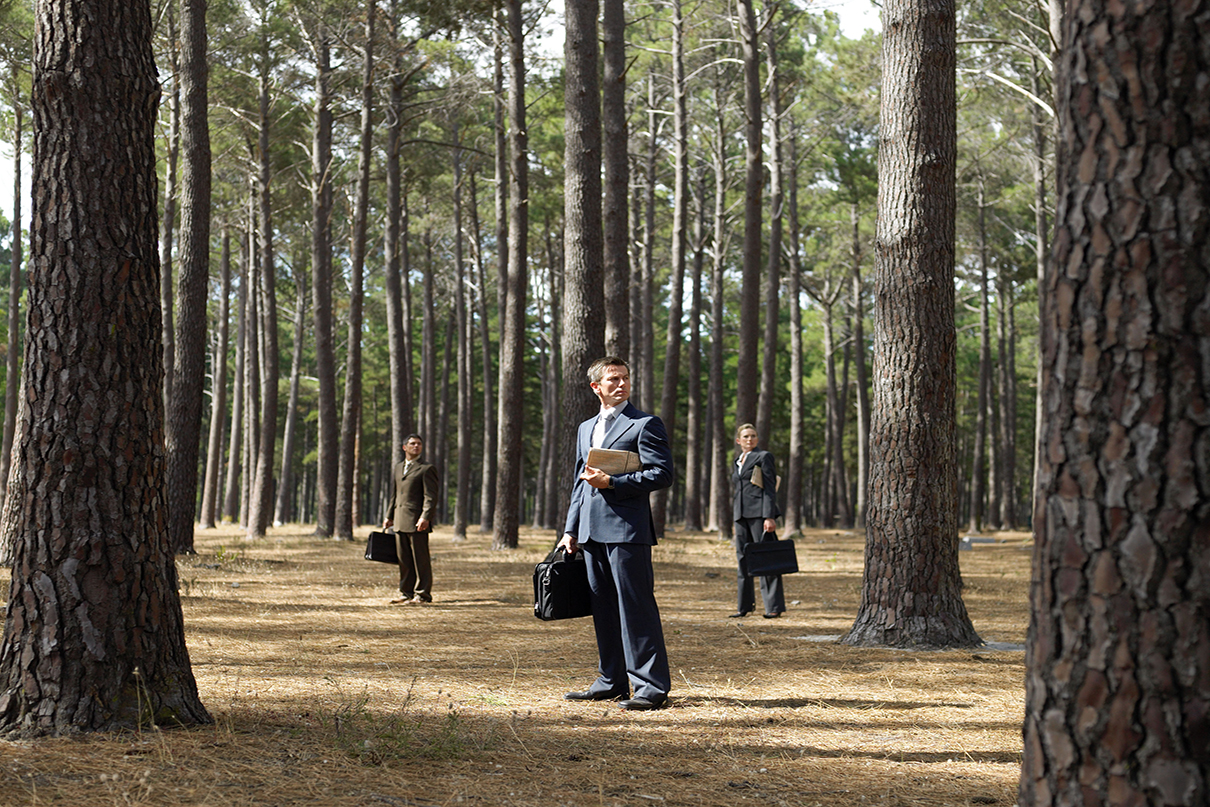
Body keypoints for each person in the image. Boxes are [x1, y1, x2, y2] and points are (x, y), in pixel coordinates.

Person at [557, 357, 675, 711]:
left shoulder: (644, 424)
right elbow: (580, 484)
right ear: (596, 387)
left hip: (627, 531)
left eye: (625, 378)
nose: (621, 384)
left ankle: (651, 687)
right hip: (591, 533)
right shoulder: (585, 428)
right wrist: (570, 529)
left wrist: (614, 482)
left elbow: (662, 474)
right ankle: (611, 681)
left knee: (636, 608)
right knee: (603, 607)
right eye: (613, 379)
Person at [731, 423, 785, 619]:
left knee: (766, 560)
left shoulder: (763, 457)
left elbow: (770, 488)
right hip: (740, 516)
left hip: (760, 516)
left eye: (753, 436)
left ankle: (773, 606)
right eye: (745, 436)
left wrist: (769, 516)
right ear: (739, 441)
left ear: (757, 439)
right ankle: (744, 607)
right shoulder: (737, 461)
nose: (749, 439)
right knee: (743, 561)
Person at [383, 434, 440, 605]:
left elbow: (431, 496)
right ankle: (406, 592)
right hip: (400, 521)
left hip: (417, 522)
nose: (416, 446)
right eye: (412, 444)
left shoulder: (426, 468)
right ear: (404, 447)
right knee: (404, 560)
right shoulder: (398, 467)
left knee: (420, 559)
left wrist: (425, 517)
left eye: (419, 444)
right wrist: (389, 516)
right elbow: (394, 494)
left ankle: (422, 595)